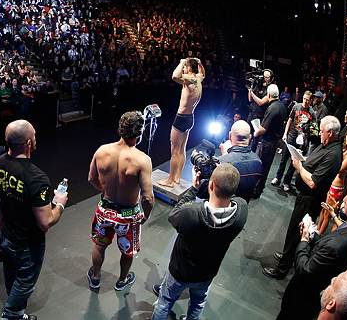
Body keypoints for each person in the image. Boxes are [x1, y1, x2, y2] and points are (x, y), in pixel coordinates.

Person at [0, 120, 68, 320]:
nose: (35, 138)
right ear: (28, 143)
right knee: (25, 281)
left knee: (10, 273)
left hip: (5, 234)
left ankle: (16, 310)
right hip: (27, 243)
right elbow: (45, 222)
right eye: (33, 135)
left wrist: (14, 208)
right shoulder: (36, 178)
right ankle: (11, 315)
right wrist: (59, 204)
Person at [150, 164, 248, 320]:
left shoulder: (191, 213)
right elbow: (234, 196)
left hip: (180, 271)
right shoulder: (242, 211)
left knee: (165, 301)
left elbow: (173, 215)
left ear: (210, 184)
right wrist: (224, 177)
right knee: (198, 303)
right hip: (207, 273)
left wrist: (193, 188)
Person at [276, 175, 347, 320]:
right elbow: (327, 242)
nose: (343, 201)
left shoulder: (337, 245)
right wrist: (313, 235)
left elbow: (305, 270)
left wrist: (303, 240)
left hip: (300, 301)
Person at [263, 116, 342, 279]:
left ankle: (282, 269)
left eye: (322, 131)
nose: (320, 134)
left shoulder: (334, 154)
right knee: (293, 231)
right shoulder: (326, 145)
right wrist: (302, 160)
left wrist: (299, 167)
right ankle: (287, 255)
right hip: (304, 197)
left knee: (295, 232)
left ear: (330, 132)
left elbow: (314, 182)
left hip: (310, 199)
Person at [86, 111, 154, 291]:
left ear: (120, 129)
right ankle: (122, 280)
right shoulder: (142, 160)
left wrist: (106, 190)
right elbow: (147, 197)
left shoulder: (101, 151)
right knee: (127, 250)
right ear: (140, 134)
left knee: (100, 245)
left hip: (105, 210)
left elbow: (91, 179)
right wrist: (145, 215)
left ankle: (95, 277)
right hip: (128, 215)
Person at [158, 57, 205, 188]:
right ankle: (177, 177)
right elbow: (203, 73)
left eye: (185, 67)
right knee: (182, 149)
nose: (183, 69)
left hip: (181, 118)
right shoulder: (199, 78)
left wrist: (181, 62)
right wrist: (199, 62)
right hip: (190, 117)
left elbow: (174, 76)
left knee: (175, 151)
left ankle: (170, 180)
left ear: (189, 68)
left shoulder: (189, 79)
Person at [316, 125, 347, 235]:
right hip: (332, 182)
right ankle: (317, 229)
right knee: (323, 209)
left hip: (337, 186)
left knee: (327, 212)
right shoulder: (345, 149)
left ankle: (319, 234)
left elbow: (339, 168)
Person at [271, 90, 315, 193]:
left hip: (301, 142)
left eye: (308, 100)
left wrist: (306, 134)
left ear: (311, 100)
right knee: (284, 159)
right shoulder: (296, 107)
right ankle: (278, 177)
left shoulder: (312, 113)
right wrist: (285, 133)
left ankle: (286, 182)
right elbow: (290, 120)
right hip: (291, 137)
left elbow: (313, 128)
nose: (305, 101)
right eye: (304, 99)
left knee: (293, 163)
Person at [252, 84, 286, 198]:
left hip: (269, 142)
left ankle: (256, 190)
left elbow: (264, 128)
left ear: (269, 95)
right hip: (275, 140)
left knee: (262, 166)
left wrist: (255, 132)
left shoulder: (272, 108)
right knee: (265, 165)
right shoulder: (281, 106)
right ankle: (258, 188)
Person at [217, 120, 263, 203]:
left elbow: (203, 192)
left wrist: (224, 156)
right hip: (242, 209)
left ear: (230, 136)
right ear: (250, 138)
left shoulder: (222, 162)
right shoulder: (258, 161)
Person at [247, 70, 273, 150]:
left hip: (259, 116)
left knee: (255, 136)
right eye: (264, 76)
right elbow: (250, 99)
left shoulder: (269, 89)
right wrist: (250, 89)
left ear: (270, 78)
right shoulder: (258, 85)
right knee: (247, 133)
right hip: (251, 113)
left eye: (267, 77)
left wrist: (252, 94)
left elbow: (261, 102)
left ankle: (252, 152)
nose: (264, 78)